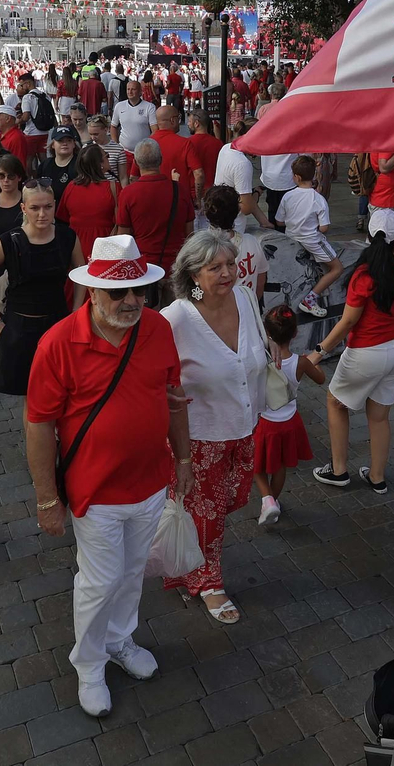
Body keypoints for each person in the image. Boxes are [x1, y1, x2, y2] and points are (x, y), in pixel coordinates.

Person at [24, 234, 193, 718]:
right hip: (94, 490)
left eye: (139, 290)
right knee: (100, 580)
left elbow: (173, 397)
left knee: (133, 569)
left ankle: (120, 640)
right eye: (118, 293)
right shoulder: (58, 343)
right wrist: (44, 498)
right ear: (92, 291)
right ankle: (90, 663)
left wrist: (183, 460)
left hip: (149, 480)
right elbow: (38, 425)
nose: (131, 301)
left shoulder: (158, 328)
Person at [160, 230, 265, 624]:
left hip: (243, 425)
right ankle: (207, 582)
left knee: (229, 501)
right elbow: (145, 362)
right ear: (193, 277)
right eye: (214, 268)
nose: (227, 273)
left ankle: (179, 553)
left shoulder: (244, 297)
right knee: (207, 515)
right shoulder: (177, 317)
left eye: (230, 264)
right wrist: (162, 398)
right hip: (199, 437)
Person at [307, 209, 394, 493]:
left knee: (335, 401)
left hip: (368, 351)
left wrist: (318, 351)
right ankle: (377, 477)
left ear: (368, 234)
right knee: (379, 415)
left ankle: (339, 469)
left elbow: (348, 321)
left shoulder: (364, 274)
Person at [0, 178, 82, 396]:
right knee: (30, 398)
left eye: (48, 207)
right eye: (35, 208)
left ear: (55, 205)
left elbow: (81, 274)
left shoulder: (67, 237)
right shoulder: (9, 240)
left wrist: (76, 313)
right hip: (18, 330)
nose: (42, 214)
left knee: (62, 392)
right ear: (24, 208)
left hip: (57, 326)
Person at [252, 304, 319, 525]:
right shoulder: (301, 362)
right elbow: (321, 379)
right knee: (280, 467)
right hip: (290, 422)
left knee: (257, 464)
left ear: (267, 333)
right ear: (295, 333)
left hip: (265, 422)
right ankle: (274, 501)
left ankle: (267, 499)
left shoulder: (261, 361)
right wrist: (315, 358)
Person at [277, 156, 343, 317]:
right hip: (312, 240)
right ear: (313, 176)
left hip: (292, 237)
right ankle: (310, 299)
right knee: (337, 268)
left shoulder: (287, 196)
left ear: (296, 177)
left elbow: (279, 221)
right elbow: (324, 227)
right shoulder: (318, 199)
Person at [115, 139, 193, 273]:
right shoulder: (180, 190)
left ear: (136, 162)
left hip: (143, 266)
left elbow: (123, 237)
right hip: (175, 266)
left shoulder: (128, 193)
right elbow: (189, 233)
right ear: (161, 160)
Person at [57, 144, 118, 260]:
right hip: (106, 248)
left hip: (76, 249)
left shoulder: (70, 187)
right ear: (100, 164)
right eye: (107, 156)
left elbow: (63, 218)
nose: (108, 158)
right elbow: (122, 222)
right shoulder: (113, 188)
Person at [213, 122, 270, 229]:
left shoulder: (225, 148)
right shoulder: (242, 164)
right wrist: (256, 194)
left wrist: (264, 221)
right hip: (234, 226)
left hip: (219, 217)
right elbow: (246, 208)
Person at [35, 124, 83, 206]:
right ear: (53, 144)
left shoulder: (81, 165)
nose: (65, 144)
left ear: (74, 144)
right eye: (60, 140)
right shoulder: (45, 165)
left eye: (69, 140)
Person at [110, 78, 155, 153]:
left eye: (133, 89)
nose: (130, 92)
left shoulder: (149, 107)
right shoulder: (119, 106)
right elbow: (113, 126)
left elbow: (155, 130)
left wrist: (149, 146)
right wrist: (116, 144)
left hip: (143, 152)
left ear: (140, 92)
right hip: (124, 151)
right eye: (128, 89)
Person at [88, 114, 127, 183]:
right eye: (90, 134)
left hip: (112, 187)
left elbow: (123, 177)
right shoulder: (87, 148)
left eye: (96, 134)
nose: (93, 138)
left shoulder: (118, 150)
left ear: (106, 130)